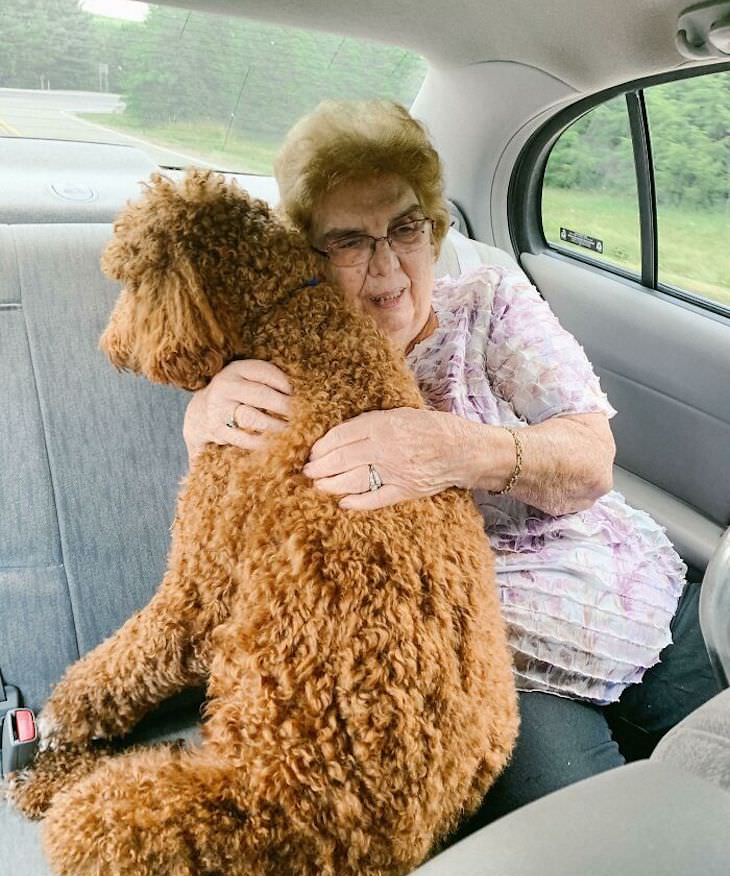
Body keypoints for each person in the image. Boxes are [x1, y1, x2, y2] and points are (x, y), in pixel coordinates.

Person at [183, 100, 719, 831]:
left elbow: (591, 458)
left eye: (405, 228)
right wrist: (200, 419)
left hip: (618, 588)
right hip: (484, 657)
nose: (387, 269)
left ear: (433, 230)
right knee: (601, 847)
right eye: (348, 240)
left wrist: (456, 450)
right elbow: (235, 525)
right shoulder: (283, 360)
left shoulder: (490, 304)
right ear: (305, 254)